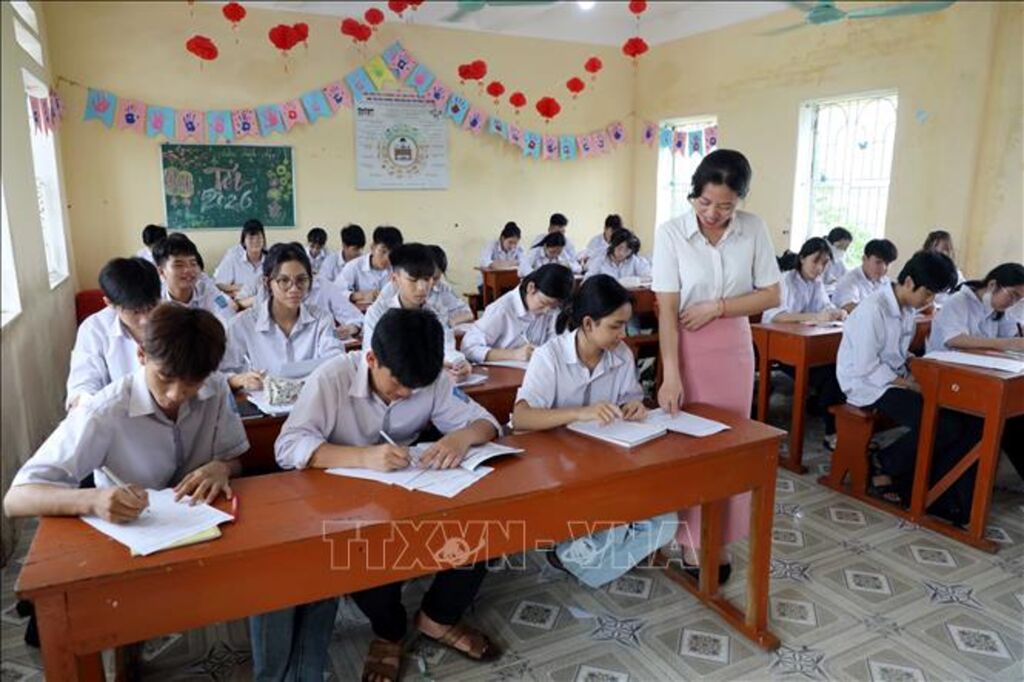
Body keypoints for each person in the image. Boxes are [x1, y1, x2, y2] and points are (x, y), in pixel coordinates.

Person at [270, 308, 502, 682]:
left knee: (483, 522)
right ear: (371, 358)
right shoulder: (332, 378)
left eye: (415, 388)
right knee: (366, 550)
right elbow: (288, 447)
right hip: (344, 493)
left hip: (409, 482)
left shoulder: (428, 379)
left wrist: (460, 437)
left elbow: (486, 423)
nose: (406, 393)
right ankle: (389, 631)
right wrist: (363, 457)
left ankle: (438, 618)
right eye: (398, 384)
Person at [651, 149, 781, 583]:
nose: (713, 213)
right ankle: (690, 538)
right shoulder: (671, 233)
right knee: (691, 445)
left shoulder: (753, 228)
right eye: (705, 202)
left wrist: (718, 307)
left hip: (734, 347)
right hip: (687, 346)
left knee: (730, 445)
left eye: (725, 205)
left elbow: (772, 294)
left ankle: (721, 534)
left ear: (740, 200)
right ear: (693, 194)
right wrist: (670, 375)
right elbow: (667, 312)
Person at [4, 304, 248, 521]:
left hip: (203, 521)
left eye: (192, 383)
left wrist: (222, 468)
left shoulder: (215, 387)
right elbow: (16, 499)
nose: (175, 395)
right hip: (134, 530)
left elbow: (233, 458)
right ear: (141, 354)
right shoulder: (105, 410)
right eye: (164, 377)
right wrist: (93, 500)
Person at [512, 275, 677, 586]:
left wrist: (634, 406)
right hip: (557, 466)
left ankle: (576, 558)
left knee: (666, 521)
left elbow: (630, 397)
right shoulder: (550, 356)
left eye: (625, 325)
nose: (623, 334)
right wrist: (579, 413)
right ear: (588, 324)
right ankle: (587, 554)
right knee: (615, 521)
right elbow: (521, 418)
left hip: (605, 460)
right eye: (616, 326)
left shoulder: (622, 355)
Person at [837, 250, 982, 520]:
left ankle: (939, 489)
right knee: (942, 424)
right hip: (866, 385)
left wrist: (917, 366)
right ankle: (885, 464)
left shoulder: (906, 309)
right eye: (927, 293)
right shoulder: (873, 309)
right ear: (908, 282)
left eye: (934, 295)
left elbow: (898, 353)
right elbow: (867, 366)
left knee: (963, 418)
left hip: (894, 379)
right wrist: (910, 384)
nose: (929, 301)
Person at [926, 262, 1024, 480]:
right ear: (993, 285)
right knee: (984, 424)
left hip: (980, 378)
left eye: (1019, 300)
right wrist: (1006, 344)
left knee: (1016, 417)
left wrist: (1015, 341)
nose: (1013, 303)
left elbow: (1011, 337)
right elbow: (955, 339)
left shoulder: (1000, 311)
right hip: (947, 379)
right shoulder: (959, 302)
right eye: (1013, 296)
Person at [221, 243, 344, 391]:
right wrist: (240, 379)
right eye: (284, 281)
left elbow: (336, 360)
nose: (294, 289)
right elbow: (220, 372)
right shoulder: (243, 324)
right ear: (267, 283)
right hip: (265, 402)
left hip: (312, 399)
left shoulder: (321, 319)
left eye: (301, 280)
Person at [762, 238, 848, 449]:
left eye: (824, 263)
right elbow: (776, 316)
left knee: (840, 368)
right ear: (802, 258)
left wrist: (838, 312)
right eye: (815, 261)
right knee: (830, 375)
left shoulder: (816, 283)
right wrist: (814, 316)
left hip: (807, 347)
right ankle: (831, 431)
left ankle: (832, 423)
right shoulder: (785, 281)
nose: (819, 268)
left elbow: (825, 307)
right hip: (782, 347)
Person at [362, 243, 470, 379]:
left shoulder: (436, 311)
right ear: (395, 279)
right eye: (413, 280)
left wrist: (459, 363)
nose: (422, 288)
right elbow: (373, 356)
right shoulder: (378, 313)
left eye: (427, 279)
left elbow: (446, 348)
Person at [66, 257, 161, 410]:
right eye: (135, 312)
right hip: (117, 413)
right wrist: (85, 404)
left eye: (151, 308)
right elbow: (84, 382)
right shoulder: (95, 329)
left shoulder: (180, 319)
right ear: (109, 303)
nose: (145, 320)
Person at [462, 263, 574, 364]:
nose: (547, 311)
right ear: (531, 288)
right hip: (502, 374)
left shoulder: (553, 310)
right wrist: (514, 354)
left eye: (553, 307)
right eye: (543, 303)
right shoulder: (502, 309)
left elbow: (558, 342)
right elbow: (469, 348)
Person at [154, 234, 235, 326]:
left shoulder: (207, 290)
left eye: (193, 263)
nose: (188, 270)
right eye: (179, 265)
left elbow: (227, 315)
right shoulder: (155, 300)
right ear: (161, 272)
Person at [337, 225, 403, 305]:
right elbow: (336, 292)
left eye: (392, 254)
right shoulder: (354, 266)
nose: (387, 258)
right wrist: (358, 296)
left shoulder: (399, 269)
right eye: (383, 251)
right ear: (373, 247)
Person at [832, 238, 898, 312]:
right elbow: (849, 307)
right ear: (864, 259)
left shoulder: (885, 281)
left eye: (887, 264)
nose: (883, 268)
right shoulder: (849, 280)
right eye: (878, 262)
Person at [214, 219, 267, 303]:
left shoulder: (271, 259)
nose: (255, 241)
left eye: (259, 238)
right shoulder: (233, 257)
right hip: (238, 304)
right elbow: (219, 284)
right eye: (251, 238)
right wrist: (239, 287)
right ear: (243, 242)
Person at [427, 245, 475, 326]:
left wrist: (450, 322)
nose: (431, 282)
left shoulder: (442, 288)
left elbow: (469, 314)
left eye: (436, 278)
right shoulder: (412, 292)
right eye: (426, 278)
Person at [584, 228, 651, 281]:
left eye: (627, 250)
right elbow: (587, 280)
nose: (622, 253)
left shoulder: (634, 260)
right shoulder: (600, 259)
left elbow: (648, 277)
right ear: (612, 245)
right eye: (619, 248)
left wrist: (634, 281)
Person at [922, 229, 966, 306]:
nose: (946, 254)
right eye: (942, 250)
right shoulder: (921, 272)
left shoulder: (957, 275)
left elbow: (963, 297)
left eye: (948, 250)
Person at [823, 226, 853, 294]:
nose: (845, 250)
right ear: (836, 243)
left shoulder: (837, 259)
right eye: (844, 247)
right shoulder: (822, 256)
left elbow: (847, 276)